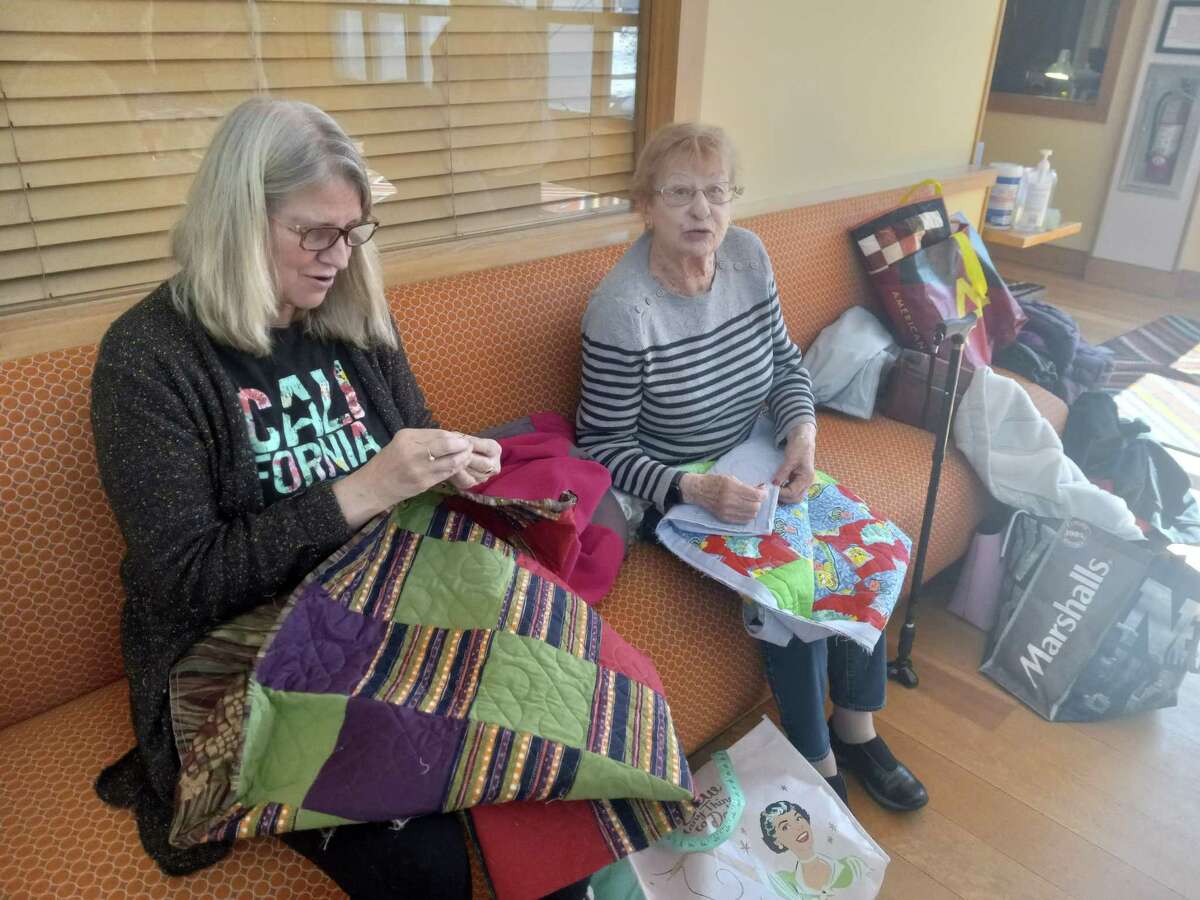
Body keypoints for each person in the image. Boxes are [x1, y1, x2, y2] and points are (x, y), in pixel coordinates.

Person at [90, 97, 588, 898]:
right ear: (237, 218)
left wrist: (455, 461)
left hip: (388, 611)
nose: (337, 257)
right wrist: (360, 491)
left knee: (552, 752)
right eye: (313, 232)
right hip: (246, 657)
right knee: (423, 861)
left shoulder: (351, 317)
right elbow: (184, 579)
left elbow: (413, 437)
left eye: (353, 233)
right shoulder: (148, 361)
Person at [575, 122, 927, 813]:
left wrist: (802, 433)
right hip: (677, 485)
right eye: (680, 193)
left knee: (866, 547)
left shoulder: (747, 256)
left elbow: (784, 367)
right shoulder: (622, 310)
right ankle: (813, 753)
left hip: (761, 450)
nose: (701, 210)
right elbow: (600, 444)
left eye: (716, 191)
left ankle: (856, 726)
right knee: (791, 594)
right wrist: (691, 486)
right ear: (646, 204)